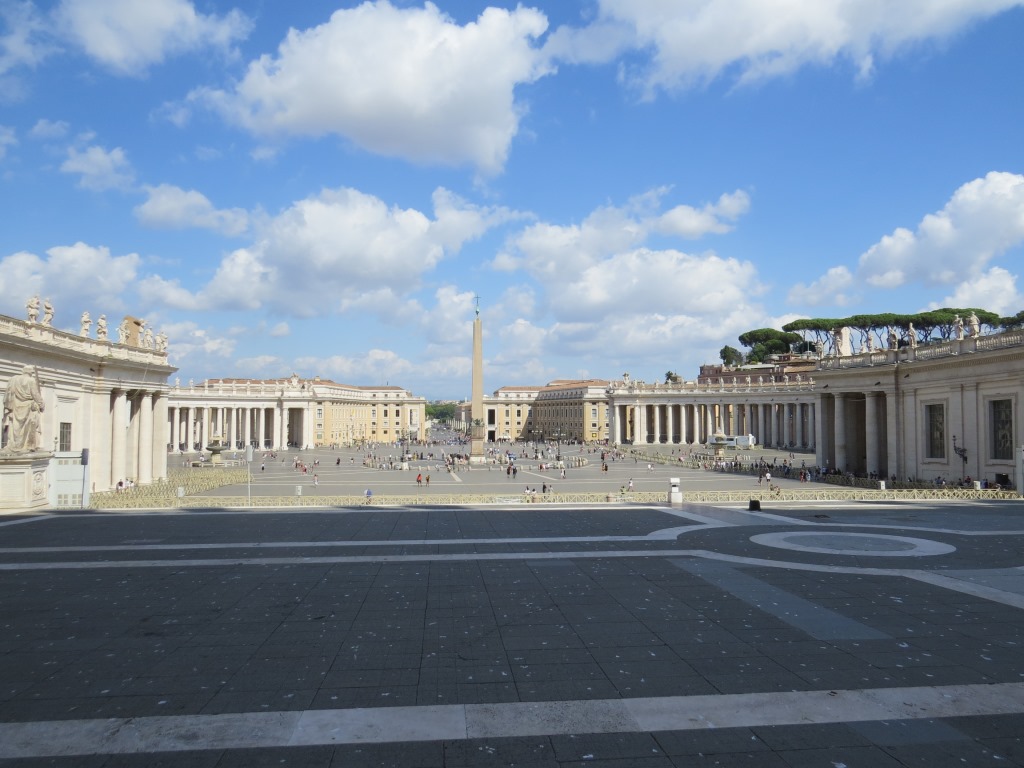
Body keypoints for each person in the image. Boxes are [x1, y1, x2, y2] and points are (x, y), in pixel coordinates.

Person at [2, 365, 45, 453]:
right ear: (30, 372)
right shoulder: (31, 380)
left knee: (15, 427)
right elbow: (35, 394)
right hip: (28, 407)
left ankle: (13, 445)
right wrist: (41, 404)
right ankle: (25, 446)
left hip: (16, 406)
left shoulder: (14, 379)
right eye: (32, 372)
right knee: (27, 427)